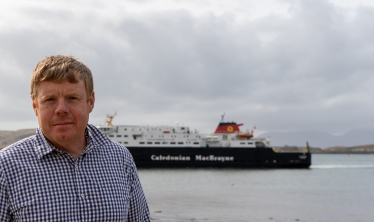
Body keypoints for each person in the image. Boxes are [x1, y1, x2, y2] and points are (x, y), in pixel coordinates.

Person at [0, 55, 150, 221]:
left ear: (90, 102)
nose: (61, 109)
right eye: (49, 99)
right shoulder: (6, 168)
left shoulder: (121, 159)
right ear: (35, 106)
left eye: (72, 98)